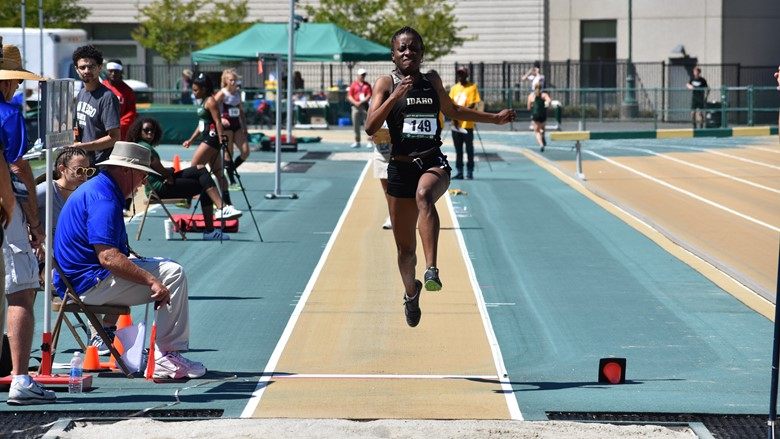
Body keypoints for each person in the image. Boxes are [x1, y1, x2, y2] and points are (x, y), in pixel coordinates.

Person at [365, 27, 515, 327]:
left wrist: (494, 119)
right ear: (393, 54)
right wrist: (395, 96)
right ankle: (411, 292)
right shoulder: (385, 83)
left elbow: (453, 109)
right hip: (399, 166)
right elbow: (370, 126)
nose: (408, 53)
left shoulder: (431, 80)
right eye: (402, 49)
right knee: (405, 252)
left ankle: (432, 270)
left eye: (414, 48)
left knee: (424, 196)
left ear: (421, 52)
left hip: (433, 162)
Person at [54, 142, 207, 380]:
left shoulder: (99, 189)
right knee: (173, 273)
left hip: (77, 281)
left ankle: (163, 353)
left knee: (165, 267)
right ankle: (167, 356)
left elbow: (110, 253)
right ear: (126, 170)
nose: (144, 181)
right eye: (143, 174)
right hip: (88, 285)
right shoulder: (104, 198)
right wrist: (151, 280)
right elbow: (108, 257)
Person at [0, 44, 55, 405]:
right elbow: (18, 167)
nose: (17, 88)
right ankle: (20, 376)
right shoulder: (8, 114)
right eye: (15, 81)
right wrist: (34, 222)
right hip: (4, 214)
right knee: (22, 290)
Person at [127, 117, 241, 240]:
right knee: (204, 180)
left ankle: (219, 212)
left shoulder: (140, 146)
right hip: (159, 189)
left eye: (153, 130)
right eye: (147, 130)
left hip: (158, 184)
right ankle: (217, 216)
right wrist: (168, 173)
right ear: (139, 131)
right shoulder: (145, 148)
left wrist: (168, 172)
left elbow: (157, 170)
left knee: (200, 169)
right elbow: (161, 171)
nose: (150, 133)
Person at [183, 73, 238, 215]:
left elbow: (218, 121)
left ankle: (188, 198)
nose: (193, 93)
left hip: (212, 138)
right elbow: (201, 124)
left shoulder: (210, 101)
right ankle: (228, 204)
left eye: (196, 90)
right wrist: (191, 139)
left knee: (195, 167)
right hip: (206, 137)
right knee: (218, 172)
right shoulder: (203, 101)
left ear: (204, 88)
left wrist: (221, 138)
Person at [72, 45, 120, 164]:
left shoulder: (107, 97)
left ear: (99, 67)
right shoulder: (81, 94)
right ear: (76, 69)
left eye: (91, 66)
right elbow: (78, 128)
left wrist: (84, 146)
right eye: (82, 67)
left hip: (101, 165)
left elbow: (114, 138)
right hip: (84, 163)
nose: (87, 71)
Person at [214, 69, 250, 191]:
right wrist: (221, 119)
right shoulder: (222, 94)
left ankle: (230, 170)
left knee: (245, 151)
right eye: (231, 80)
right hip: (227, 126)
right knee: (228, 154)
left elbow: (241, 111)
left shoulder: (238, 93)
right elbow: (211, 108)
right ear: (226, 81)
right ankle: (233, 182)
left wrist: (244, 126)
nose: (233, 82)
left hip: (237, 125)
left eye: (235, 80)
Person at [448, 67, 481, 179]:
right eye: (459, 73)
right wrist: (455, 118)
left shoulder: (472, 87)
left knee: (469, 149)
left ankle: (470, 171)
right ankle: (459, 171)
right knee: (458, 150)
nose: (460, 75)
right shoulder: (454, 88)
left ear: (467, 74)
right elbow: (450, 104)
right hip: (455, 124)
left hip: (467, 124)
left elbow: (472, 105)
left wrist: (459, 114)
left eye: (462, 73)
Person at [101, 59, 137, 141]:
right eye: (111, 71)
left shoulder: (127, 91)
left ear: (121, 72)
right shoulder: (101, 87)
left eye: (116, 71)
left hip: (119, 132)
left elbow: (131, 112)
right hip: (101, 130)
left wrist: (117, 125)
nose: (113, 74)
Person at [348, 68, 372, 148]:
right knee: (355, 124)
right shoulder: (353, 84)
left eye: (364, 75)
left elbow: (369, 95)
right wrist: (355, 102)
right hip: (355, 107)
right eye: (362, 75)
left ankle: (369, 141)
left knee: (367, 124)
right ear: (358, 76)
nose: (363, 76)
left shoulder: (367, 85)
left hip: (364, 106)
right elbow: (350, 95)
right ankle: (357, 141)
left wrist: (361, 102)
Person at [527, 82, 552, 152]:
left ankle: (541, 144)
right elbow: (549, 101)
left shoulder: (531, 96)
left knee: (537, 131)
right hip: (543, 114)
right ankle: (543, 135)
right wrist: (546, 105)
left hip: (535, 115)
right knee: (542, 128)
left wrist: (533, 106)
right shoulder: (544, 95)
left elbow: (528, 107)